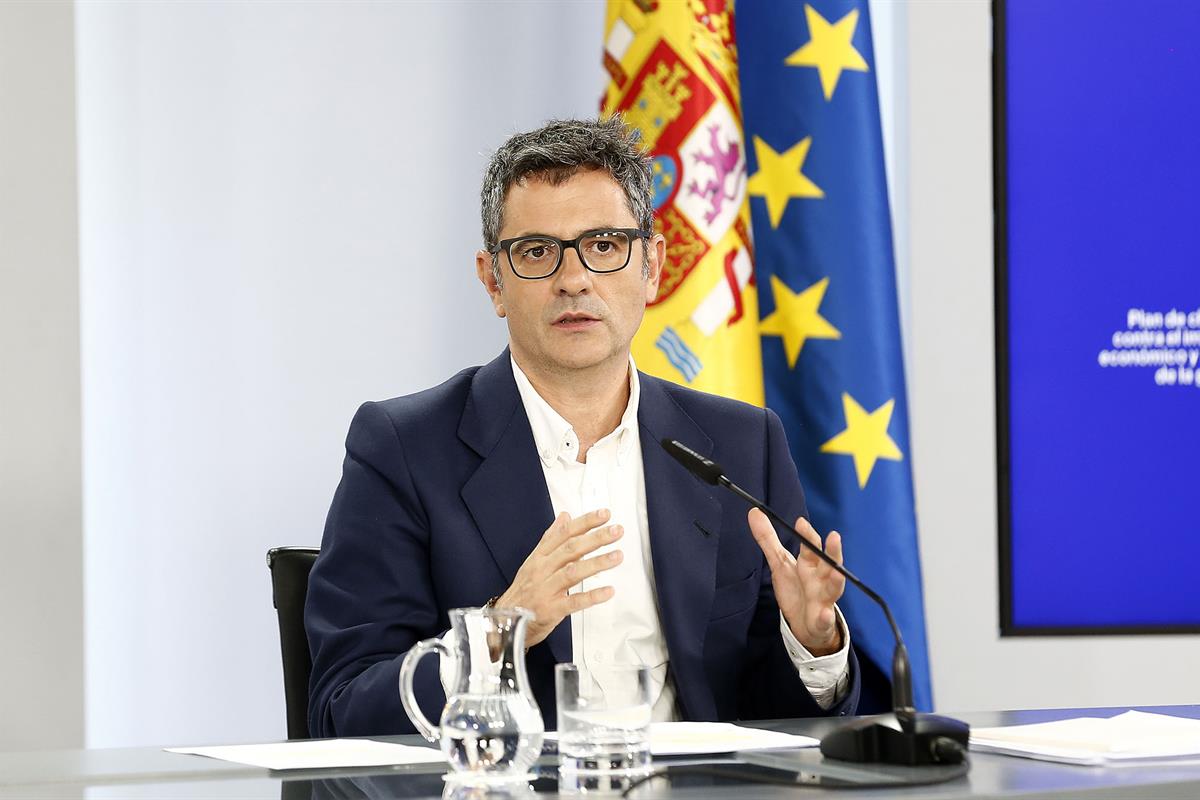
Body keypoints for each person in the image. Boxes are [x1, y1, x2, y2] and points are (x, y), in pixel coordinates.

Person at [305, 117, 860, 738]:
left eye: (603, 245)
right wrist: (498, 631)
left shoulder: (740, 445)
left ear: (652, 268)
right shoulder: (404, 448)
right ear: (493, 281)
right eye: (537, 251)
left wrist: (812, 645)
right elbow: (343, 711)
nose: (574, 278)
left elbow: (764, 721)